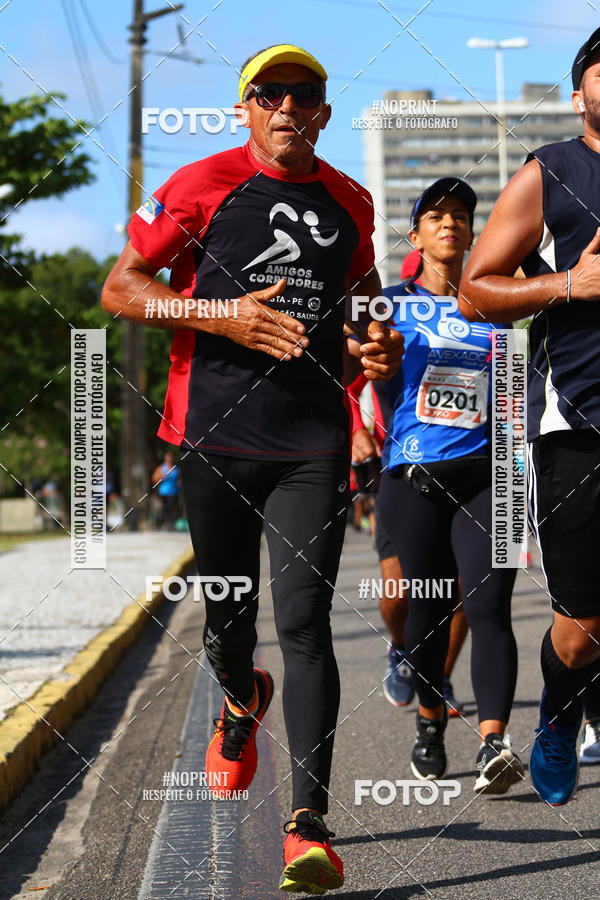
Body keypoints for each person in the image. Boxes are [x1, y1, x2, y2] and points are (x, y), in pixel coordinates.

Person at [101, 44, 403, 895]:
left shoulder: (352, 201)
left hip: (313, 439)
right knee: (230, 623)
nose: (285, 107)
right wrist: (219, 316)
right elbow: (121, 290)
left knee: (305, 621)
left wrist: (379, 339)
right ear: (245, 109)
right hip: (214, 438)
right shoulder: (199, 185)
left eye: (302, 94)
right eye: (267, 94)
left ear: (322, 112)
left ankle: (309, 826)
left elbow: (367, 297)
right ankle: (241, 699)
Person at [459, 27, 600, 806]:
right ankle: (558, 710)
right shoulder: (553, 171)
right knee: (581, 629)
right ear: (580, 89)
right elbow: (477, 288)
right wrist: (571, 286)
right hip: (578, 423)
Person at [378, 178, 523, 794]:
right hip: (414, 476)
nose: (450, 224)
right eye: (435, 216)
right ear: (416, 236)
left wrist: (522, 474)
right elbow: (372, 377)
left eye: (461, 216)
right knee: (428, 613)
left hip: (491, 477)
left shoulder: (497, 304)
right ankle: (431, 722)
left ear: (472, 233)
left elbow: (517, 393)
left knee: (490, 606)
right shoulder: (390, 305)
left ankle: (495, 742)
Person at [347, 371, 469, 713]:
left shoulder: (484, 321)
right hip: (401, 471)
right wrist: (357, 427)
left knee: (460, 590)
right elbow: (349, 380)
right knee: (398, 589)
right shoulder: (395, 320)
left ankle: (438, 679)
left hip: (468, 469)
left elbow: (509, 373)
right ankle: (399, 648)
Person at [151, 450, 180, 530]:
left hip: (174, 491)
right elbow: (153, 479)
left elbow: (179, 478)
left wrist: (179, 482)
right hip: (164, 492)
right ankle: (167, 523)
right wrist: (160, 477)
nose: (169, 458)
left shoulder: (175, 468)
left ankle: (171, 523)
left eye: (170, 457)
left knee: (173, 507)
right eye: (168, 457)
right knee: (167, 507)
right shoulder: (161, 468)